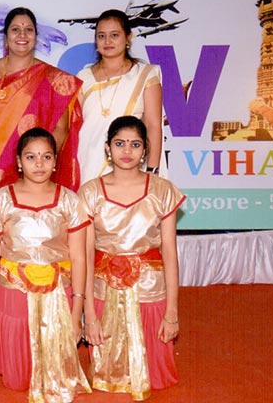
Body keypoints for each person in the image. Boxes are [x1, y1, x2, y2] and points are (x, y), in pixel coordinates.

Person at [80, 116, 184, 401]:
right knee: (106, 381)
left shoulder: (162, 190)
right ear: (107, 148)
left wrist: (172, 312)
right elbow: (85, 256)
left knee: (156, 379)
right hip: (104, 291)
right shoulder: (90, 192)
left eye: (135, 144)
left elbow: (170, 253)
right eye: (120, 143)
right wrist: (89, 315)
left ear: (146, 149)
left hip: (150, 291)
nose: (127, 151)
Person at [0, 127, 91, 402]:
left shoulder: (69, 200)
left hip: (58, 294)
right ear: (19, 162)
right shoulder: (1, 199)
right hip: (13, 294)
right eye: (31, 157)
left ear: (55, 161)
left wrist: (77, 311)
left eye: (46, 157)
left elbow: (79, 257)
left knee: (55, 377)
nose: (39, 164)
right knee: (17, 381)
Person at [0, 6, 83, 209]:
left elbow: (61, 129)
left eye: (28, 29)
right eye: (15, 29)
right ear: (5, 38)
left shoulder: (55, 79)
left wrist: (35, 164)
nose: (22, 35)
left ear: (36, 37)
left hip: (32, 175)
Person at [77, 9, 164, 183]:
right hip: (88, 163)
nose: (107, 41)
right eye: (101, 36)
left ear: (128, 37)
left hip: (130, 166)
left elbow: (153, 125)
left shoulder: (145, 75)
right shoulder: (83, 77)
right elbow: (74, 125)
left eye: (114, 35)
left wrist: (152, 172)